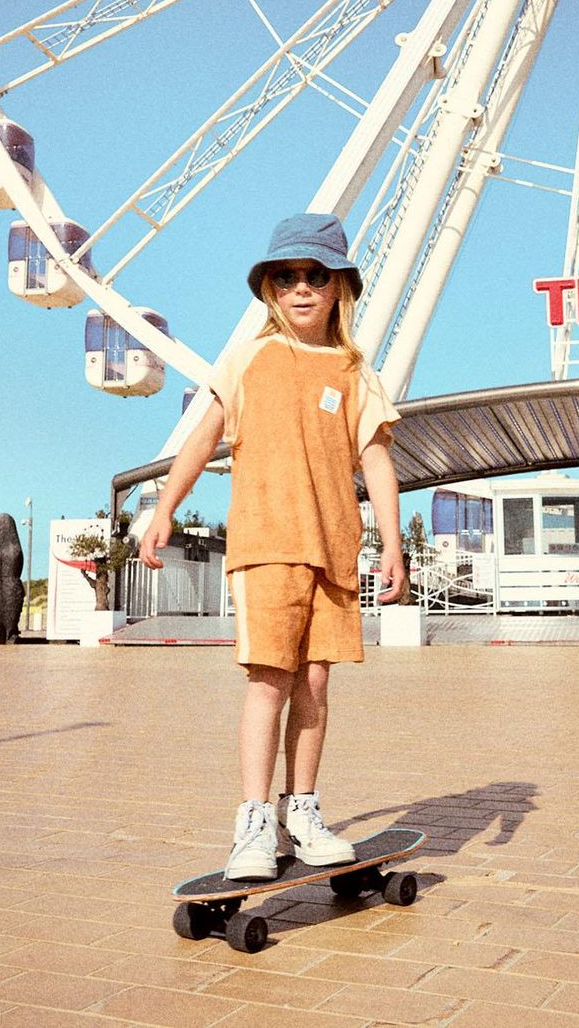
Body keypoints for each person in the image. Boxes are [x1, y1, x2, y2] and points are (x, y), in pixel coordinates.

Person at [138, 212, 405, 881]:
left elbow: (376, 462)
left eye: (316, 275)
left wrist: (393, 545)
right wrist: (165, 507)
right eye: (287, 276)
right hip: (265, 545)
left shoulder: (353, 371)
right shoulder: (249, 357)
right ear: (269, 289)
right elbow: (202, 435)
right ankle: (254, 820)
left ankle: (302, 812)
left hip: (334, 550)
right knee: (270, 680)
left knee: (314, 683)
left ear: (340, 286)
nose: (301, 287)